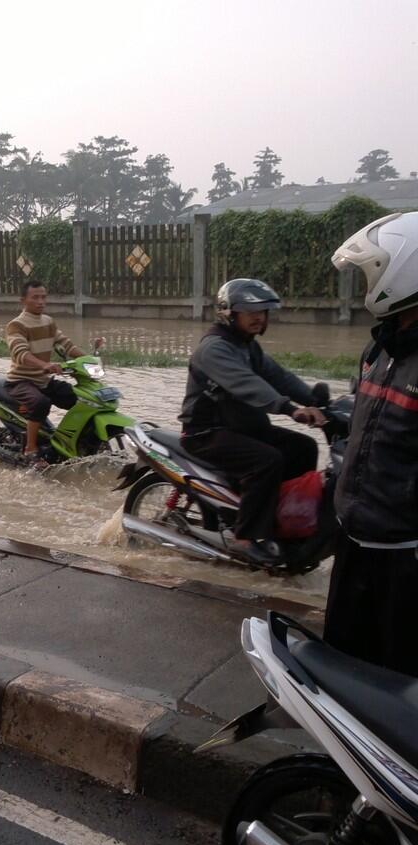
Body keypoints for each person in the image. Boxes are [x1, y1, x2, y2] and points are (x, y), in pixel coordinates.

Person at [325, 211, 418, 675]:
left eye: (373, 270)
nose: (367, 282)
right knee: (342, 670)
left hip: (403, 561)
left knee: (396, 683)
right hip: (354, 537)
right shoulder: (379, 348)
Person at [179, 278, 327, 565]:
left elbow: (279, 377)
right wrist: (290, 409)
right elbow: (247, 384)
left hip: (242, 427)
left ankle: (283, 519)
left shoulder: (248, 347)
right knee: (267, 460)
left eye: (263, 312)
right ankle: (244, 538)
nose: (259, 317)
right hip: (206, 433)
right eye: (250, 311)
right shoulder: (214, 348)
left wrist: (318, 401)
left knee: (304, 447)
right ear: (229, 313)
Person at [5, 280, 84, 466]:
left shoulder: (48, 322)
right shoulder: (16, 325)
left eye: (43, 297)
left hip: (43, 380)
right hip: (20, 381)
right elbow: (20, 353)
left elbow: (67, 345)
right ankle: (30, 449)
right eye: (35, 297)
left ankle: (69, 441)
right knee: (41, 403)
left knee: (78, 398)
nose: (41, 301)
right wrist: (44, 365)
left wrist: (89, 360)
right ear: (23, 300)